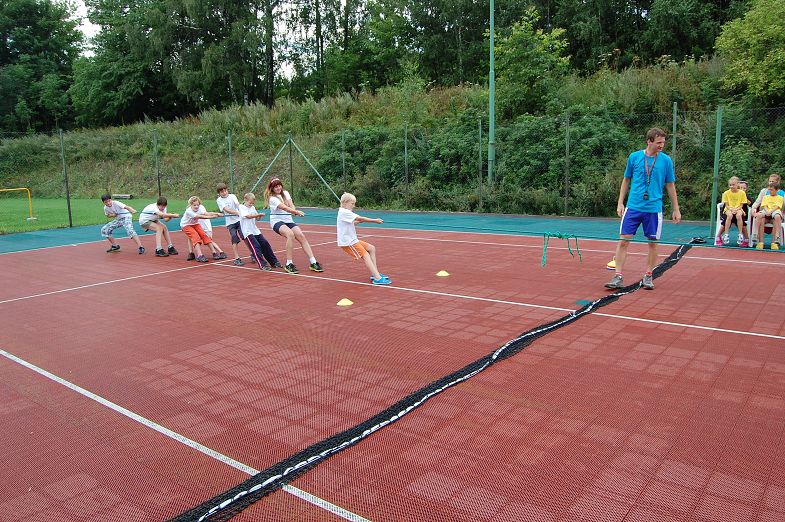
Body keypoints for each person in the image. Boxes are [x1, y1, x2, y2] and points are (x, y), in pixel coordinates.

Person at [605, 128, 681, 291]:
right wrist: (620, 202)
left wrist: (676, 208)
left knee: (653, 243)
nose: (661, 145)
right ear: (649, 141)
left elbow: (670, 185)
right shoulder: (634, 157)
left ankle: (648, 275)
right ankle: (618, 276)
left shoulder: (666, 161)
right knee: (623, 240)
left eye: (663, 142)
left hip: (653, 208)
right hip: (633, 207)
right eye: (659, 142)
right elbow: (626, 180)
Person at [264, 178, 323, 273]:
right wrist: (296, 212)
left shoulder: (286, 193)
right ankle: (289, 264)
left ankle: (313, 262)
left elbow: (291, 205)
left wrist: (294, 211)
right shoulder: (272, 199)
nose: (278, 188)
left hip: (288, 220)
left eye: (279, 186)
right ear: (272, 188)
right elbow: (285, 208)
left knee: (301, 236)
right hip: (277, 221)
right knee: (290, 234)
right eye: (275, 187)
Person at [337, 192, 390, 285]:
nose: (354, 206)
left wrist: (357, 222)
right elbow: (360, 218)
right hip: (348, 242)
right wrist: (375, 220)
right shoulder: (344, 212)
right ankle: (377, 278)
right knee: (366, 255)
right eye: (352, 203)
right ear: (345, 203)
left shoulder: (345, 212)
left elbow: (351, 223)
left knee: (371, 248)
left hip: (353, 240)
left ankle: (375, 273)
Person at [238, 193, 282, 271]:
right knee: (256, 247)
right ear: (245, 200)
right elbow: (248, 216)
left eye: (252, 203)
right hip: (248, 232)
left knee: (265, 244)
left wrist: (259, 216)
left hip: (255, 231)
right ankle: (262, 264)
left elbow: (257, 218)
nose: (251, 205)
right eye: (250, 203)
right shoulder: (241, 207)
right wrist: (257, 215)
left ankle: (274, 262)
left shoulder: (252, 207)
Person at [180, 196, 222, 262]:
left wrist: (217, 213)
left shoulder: (200, 208)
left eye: (197, 205)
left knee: (204, 235)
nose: (196, 206)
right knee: (195, 236)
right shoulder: (188, 211)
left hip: (195, 224)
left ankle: (214, 252)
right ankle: (200, 255)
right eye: (194, 205)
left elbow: (206, 213)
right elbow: (200, 216)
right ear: (191, 205)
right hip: (186, 225)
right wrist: (212, 217)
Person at [750, 173, 785, 248]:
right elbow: (757, 202)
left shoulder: (782, 194)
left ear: (777, 182)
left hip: (775, 215)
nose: (770, 183)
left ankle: (774, 242)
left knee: (776, 218)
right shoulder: (764, 191)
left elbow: (781, 207)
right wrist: (753, 209)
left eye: (772, 181)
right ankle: (760, 242)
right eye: (770, 181)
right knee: (761, 218)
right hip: (764, 214)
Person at [216, 183, 245, 266]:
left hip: (239, 220)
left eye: (225, 190)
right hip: (230, 223)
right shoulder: (219, 200)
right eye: (222, 192)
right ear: (219, 193)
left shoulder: (232, 196)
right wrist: (236, 212)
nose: (224, 193)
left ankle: (253, 253)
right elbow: (226, 209)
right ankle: (237, 258)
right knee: (234, 238)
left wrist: (242, 211)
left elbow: (237, 205)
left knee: (245, 236)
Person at [716, 176, 748, 247]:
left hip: (738, 209)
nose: (731, 186)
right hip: (728, 209)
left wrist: (736, 209)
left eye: (733, 185)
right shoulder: (726, 193)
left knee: (739, 216)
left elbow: (741, 205)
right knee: (729, 215)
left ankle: (741, 235)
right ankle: (726, 234)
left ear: (737, 184)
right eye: (730, 185)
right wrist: (731, 209)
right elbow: (726, 205)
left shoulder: (742, 193)